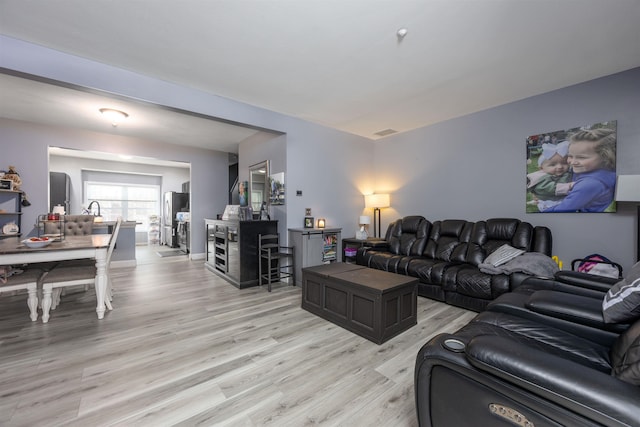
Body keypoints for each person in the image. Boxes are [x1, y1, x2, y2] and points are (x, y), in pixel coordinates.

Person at [543, 128, 616, 213]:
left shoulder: (589, 184)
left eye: (581, 157)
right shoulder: (598, 171)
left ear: (605, 157)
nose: (573, 162)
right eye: (570, 156)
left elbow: (562, 209)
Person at [527, 141, 572, 211]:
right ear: (541, 168)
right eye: (553, 165)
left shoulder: (568, 172)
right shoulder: (541, 177)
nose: (560, 166)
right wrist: (571, 186)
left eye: (564, 163)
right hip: (550, 204)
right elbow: (548, 188)